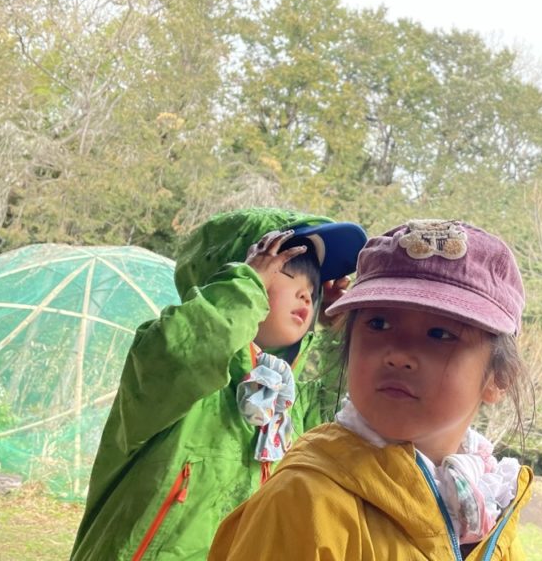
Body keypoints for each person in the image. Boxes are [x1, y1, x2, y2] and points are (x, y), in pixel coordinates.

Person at [209, 218, 534, 561]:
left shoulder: (491, 507)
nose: (398, 354)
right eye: (378, 323)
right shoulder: (306, 503)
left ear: (499, 378)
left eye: (440, 334)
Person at [70, 207, 368, 561]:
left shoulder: (288, 406)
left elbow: (351, 407)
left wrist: (341, 328)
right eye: (287, 271)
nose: (306, 294)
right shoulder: (169, 370)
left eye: (314, 288)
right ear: (234, 273)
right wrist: (245, 285)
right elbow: (188, 349)